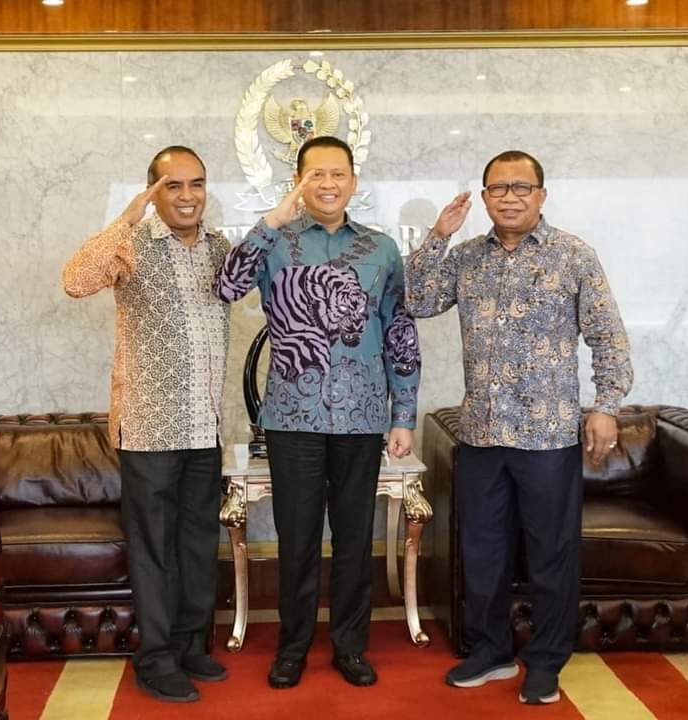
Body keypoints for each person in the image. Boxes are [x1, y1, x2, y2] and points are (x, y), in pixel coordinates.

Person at [406, 150, 632, 705]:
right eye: (498, 188)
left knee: (551, 552)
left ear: (541, 195)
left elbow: (608, 335)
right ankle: (491, 650)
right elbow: (416, 300)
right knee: (482, 552)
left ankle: (546, 661)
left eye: (521, 187)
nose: (509, 197)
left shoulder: (573, 255)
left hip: (547, 436)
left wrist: (606, 405)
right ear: (484, 198)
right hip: (481, 434)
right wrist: (438, 236)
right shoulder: (465, 259)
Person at [214, 136, 421, 689]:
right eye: (315, 175)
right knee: (297, 540)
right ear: (298, 182)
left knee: (354, 540)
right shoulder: (275, 243)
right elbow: (226, 286)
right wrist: (270, 221)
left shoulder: (381, 249)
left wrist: (403, 414)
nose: (328, 184)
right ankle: (293, 648)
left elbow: (399, 331)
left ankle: (351, 647)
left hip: (362, 418)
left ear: (353, 182)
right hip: (291, 418)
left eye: (338, 174)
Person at [62, 146, 230, 704]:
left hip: (204, 425)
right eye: (172, 186)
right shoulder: (132, 243)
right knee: (154, 549)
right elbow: (76, 280)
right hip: (150, 428)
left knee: (198, 544)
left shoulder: (219, 248)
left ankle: (189, 646)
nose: (187, 196)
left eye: (196, 184)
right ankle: (155, 659)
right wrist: (128, 216)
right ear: (153, 191)